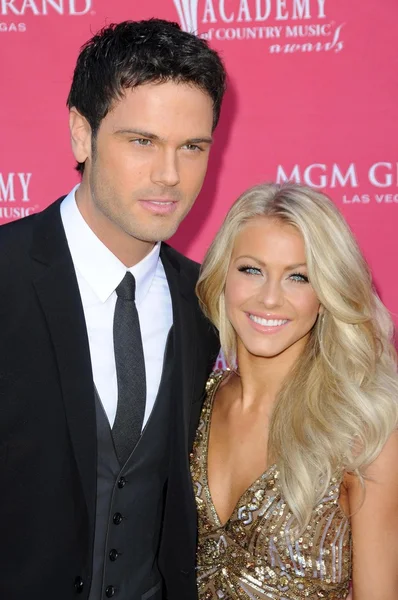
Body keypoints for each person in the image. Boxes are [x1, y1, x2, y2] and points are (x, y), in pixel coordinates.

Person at [0, 19, 226, 600]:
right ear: (82, 133)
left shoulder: (210, 303)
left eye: (192, 147)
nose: (170, 176)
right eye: (142, 141)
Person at [193, 182, 398, 599]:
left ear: (325, 295)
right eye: (251, 269)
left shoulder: (363, 433)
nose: (269, 298)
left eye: (298, 277)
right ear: (222, 276)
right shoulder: (191, 404)